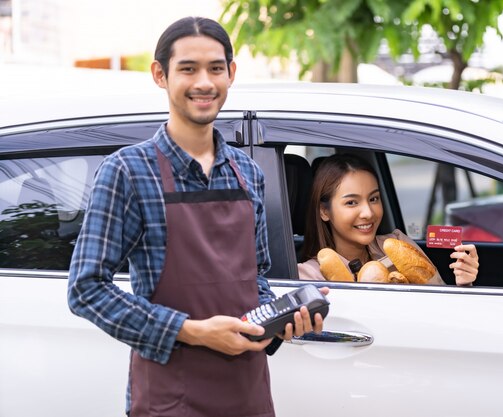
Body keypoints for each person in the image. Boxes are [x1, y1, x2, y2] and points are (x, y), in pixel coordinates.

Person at [67, 17, 325, 417]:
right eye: (188, 69)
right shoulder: (128, 171)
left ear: (231, 74)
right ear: (160, 74)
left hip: (248, 395)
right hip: (171, 398)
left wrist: (279, 323)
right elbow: (86, 290)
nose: (204, 82)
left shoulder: (248, 173)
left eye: (215, 68)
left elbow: (255, 279)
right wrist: (192, 332)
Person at [298, 153, 479, 285]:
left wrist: (464, 286)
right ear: (324, 211)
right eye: (352, 202)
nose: (368, 213)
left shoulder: (397, 244)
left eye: (373, 199)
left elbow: (441, 302)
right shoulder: (309, 275)